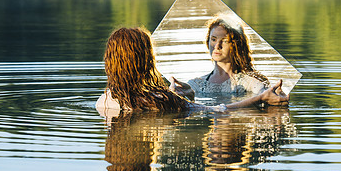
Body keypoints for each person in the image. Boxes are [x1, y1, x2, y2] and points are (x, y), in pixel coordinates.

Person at [95, 27, 288, 117]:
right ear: (146, 60)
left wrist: (183, 97)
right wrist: (261, 99)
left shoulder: (103, 101)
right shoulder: (159, 100)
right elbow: (218, 110)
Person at [185, 15, 269, 95]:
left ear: (237, 45)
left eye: (225, 41)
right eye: (213, 39)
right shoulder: (195, 85)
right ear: (208, 42)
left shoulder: (252, 84)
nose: (217, 46)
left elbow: (266, 97)